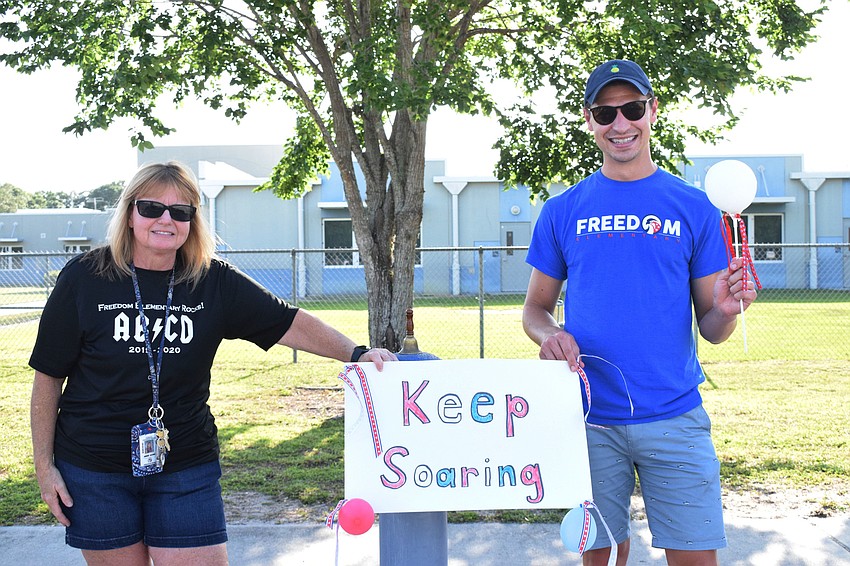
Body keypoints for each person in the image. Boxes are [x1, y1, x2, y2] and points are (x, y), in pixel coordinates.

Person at [29, 161, 396, 565]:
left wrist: (357, 354)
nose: (165, 220)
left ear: (192, 220)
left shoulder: (212, 280)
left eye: (180, 211)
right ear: (130, 214)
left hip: (185, 463)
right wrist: (45, 468)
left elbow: (288, 322)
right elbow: (48, 375)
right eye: (151, 208)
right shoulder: (85, 277)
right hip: (94, 468)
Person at [522, 59, 757, 565]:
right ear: (589, 120)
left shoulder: (693, 206)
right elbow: (535, 310)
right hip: (590, 420)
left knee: (695, 559)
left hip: (675, 416)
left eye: (631, 108)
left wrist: (726, 309)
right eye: (605, 113)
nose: (620, 123)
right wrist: (549, 335)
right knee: (602, 555)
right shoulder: (562, 209)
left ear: (652, 110)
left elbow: (713, 329)